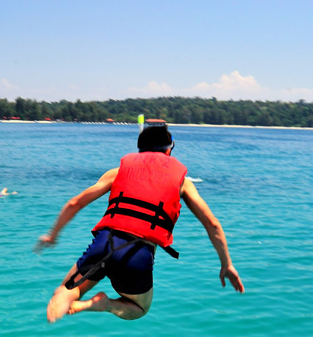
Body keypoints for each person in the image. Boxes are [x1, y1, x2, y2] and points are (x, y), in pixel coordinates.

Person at [36, 125, 244, 323]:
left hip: (104, 243)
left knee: (67, 290)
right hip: (137, 253)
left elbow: (75, 203)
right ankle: (103, 304)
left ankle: (57, 307)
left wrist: (53, 235)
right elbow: (212, 224)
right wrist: (227, 264)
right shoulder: (183, 182)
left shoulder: (117, 172)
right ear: (169, 151)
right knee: (139, 309)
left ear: (140, 149)